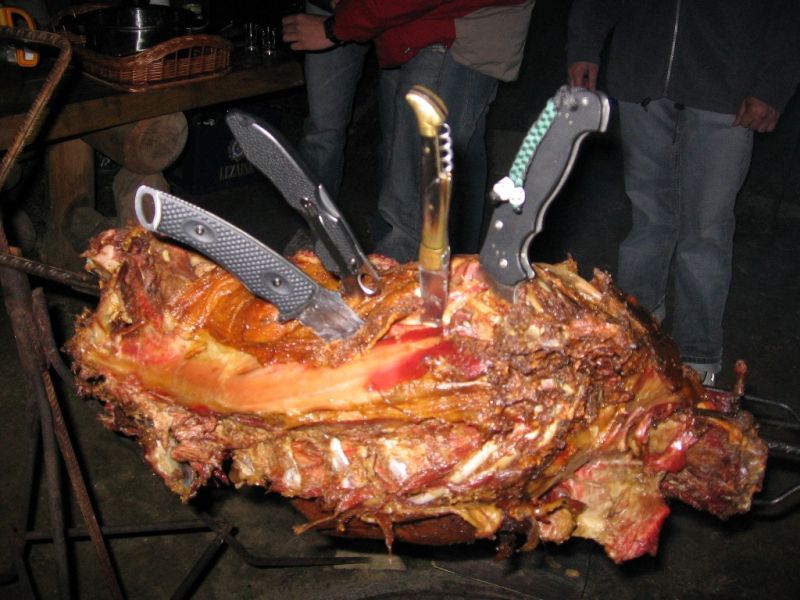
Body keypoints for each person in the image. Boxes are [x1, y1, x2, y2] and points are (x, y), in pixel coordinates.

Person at [566, 0, 800, 384]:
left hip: (727, 89)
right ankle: (636, 332)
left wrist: (774, 85)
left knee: (707, 230)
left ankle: (697, 356)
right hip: (641, 77)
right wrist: (584, 46)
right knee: (647, 219)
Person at [283, 1, 534, 261]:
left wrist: (337, 27)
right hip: (436, 27)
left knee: (412, 214)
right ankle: (457, 272)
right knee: (454, 167)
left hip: (450, 29)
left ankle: (400, 278)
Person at [295, 1, 370, 201]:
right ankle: (317, 216)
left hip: (402, 13)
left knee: (402, 133)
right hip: (330, 11)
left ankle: (396, 221)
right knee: (322, 126)